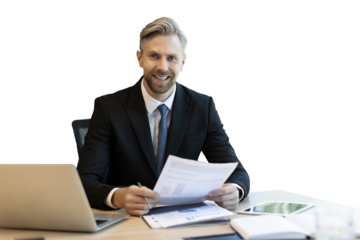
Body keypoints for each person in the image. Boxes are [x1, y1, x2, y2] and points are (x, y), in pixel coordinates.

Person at [77, 15, 250, 216]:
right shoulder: (108, 107)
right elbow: (85, 180)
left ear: (183, 62)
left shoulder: (203, 105)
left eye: (171, 58)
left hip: (183, 219)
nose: (162, 67)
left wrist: (234, 191)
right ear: (139, 57)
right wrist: (117, 196)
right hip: (129, 221)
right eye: (154, 56)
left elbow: (237, 171)